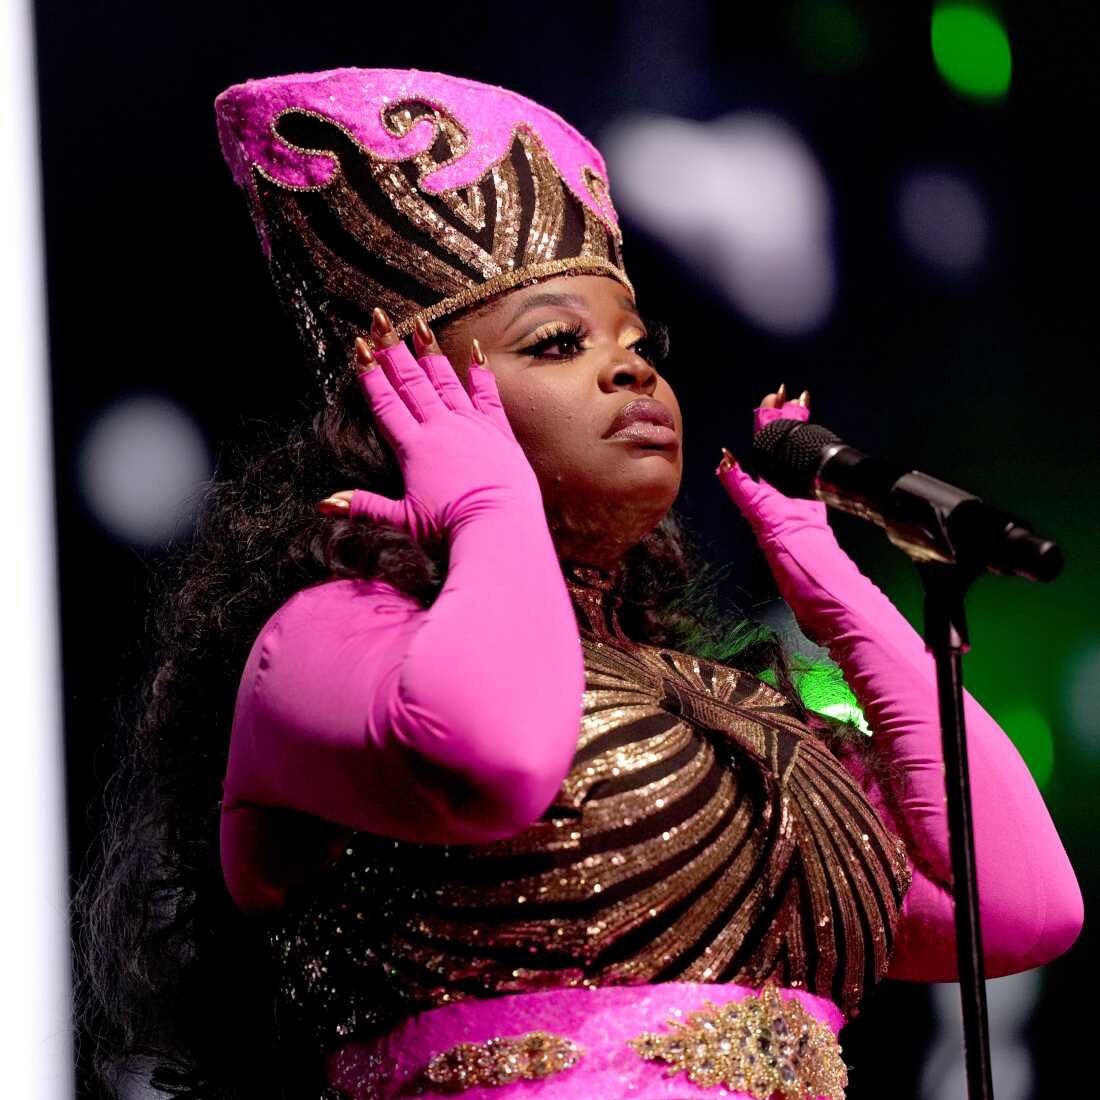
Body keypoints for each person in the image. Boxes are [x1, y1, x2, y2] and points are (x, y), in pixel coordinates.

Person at [75, 67, 1083, 1100]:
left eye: (639, 345)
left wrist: (840, 594)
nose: (632, 371)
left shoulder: (734, 721)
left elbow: (1022, 907)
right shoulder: (327, 636)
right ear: (409, 401)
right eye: (559, 343)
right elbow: (498, 759)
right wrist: (484, 505)